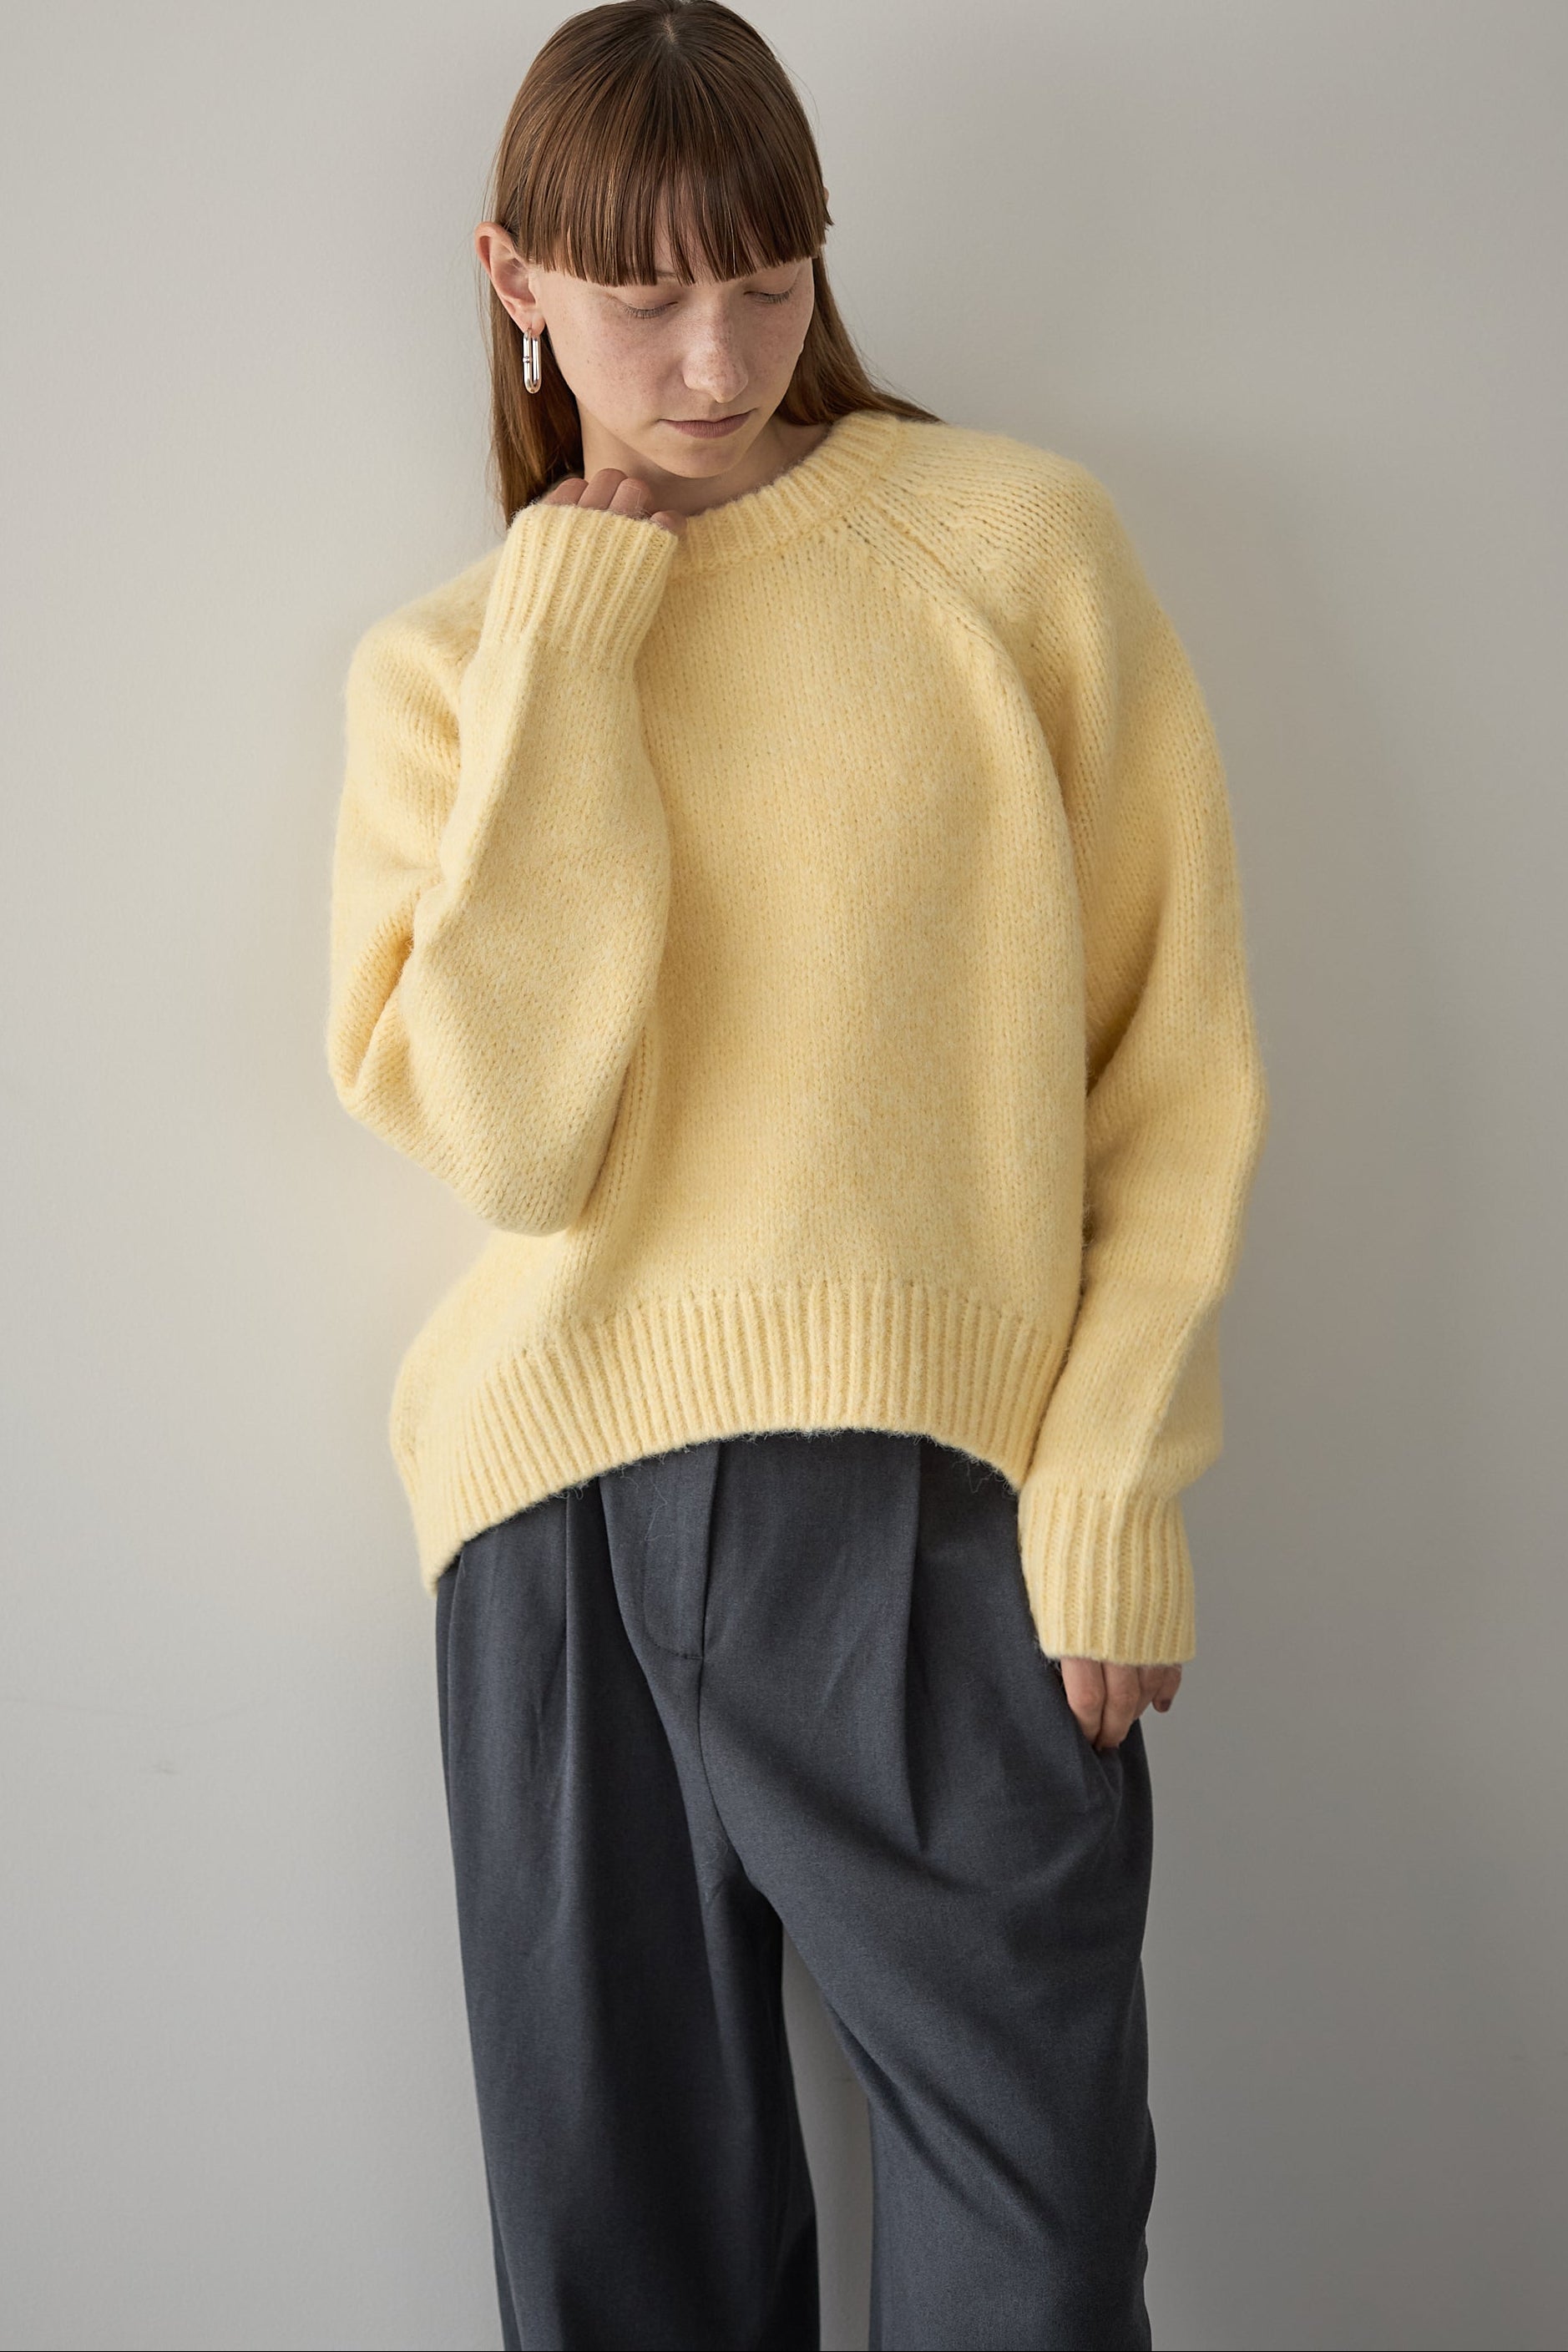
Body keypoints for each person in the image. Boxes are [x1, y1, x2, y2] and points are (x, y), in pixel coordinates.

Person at [324, 3, 1270, 2345]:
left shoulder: (1011, 547)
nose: (718, 357)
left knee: (1035, 2257)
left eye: (767, 280)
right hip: (553, 1527)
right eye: (645, 297)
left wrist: (1117, 1473)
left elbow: (1171, 1061)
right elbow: (519, 1145)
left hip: (937, 1516)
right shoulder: (446, 673)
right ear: (514, 278)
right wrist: (568, 642)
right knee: (622, 2281)